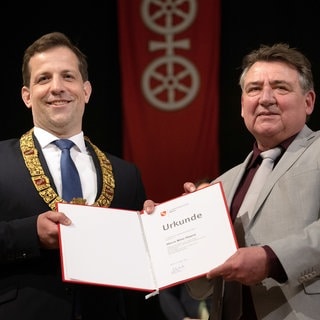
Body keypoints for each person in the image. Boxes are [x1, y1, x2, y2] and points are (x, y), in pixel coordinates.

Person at [144, 43, 320, 319]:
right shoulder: (222, 184)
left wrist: (271, 260)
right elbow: (201, 289)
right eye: (253, 89)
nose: (266, 98)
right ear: (242, 106)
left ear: (308, 101)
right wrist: (174, 230)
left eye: (280, 87)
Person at [0, 31, 149, 320]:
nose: (57, 88)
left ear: (86, 91)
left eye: (68, 76)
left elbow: (139, 278)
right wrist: (29, 234)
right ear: (26, 96)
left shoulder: (126, 174)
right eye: (44, 78)